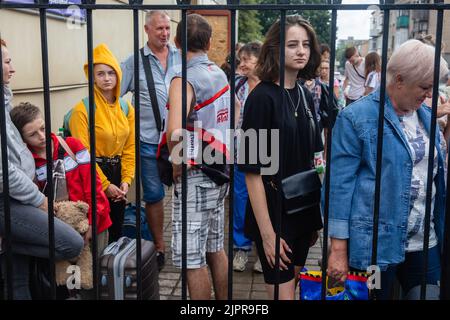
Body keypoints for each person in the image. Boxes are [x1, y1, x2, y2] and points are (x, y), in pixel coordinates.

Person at [327, 39, 449, 300]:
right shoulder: (356, 118)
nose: (429, 95)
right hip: (375, 248)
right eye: (425, 87)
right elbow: (339, 186)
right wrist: (338, 249)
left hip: (424, 243)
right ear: (400, 80)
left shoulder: (426, 116)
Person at [238, 15, 323, 300]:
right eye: (292, 44)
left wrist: (315, 217)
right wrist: (267, 234)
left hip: (303, 212)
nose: (301, 51)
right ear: (275, 48)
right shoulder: (262, 98)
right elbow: (252, 171)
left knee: (296, 288)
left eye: (306, 44)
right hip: (274, 214)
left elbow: (313, 158)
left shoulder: (305, 93)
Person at [0, 38, 83, 300]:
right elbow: (3, 171)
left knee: (17, 280)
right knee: (72, 242)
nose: (12, 68)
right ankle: (7, 244)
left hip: (18, 199)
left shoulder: (4, 100)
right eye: (7, 62)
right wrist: (39, 200)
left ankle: (9, 246)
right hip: (10, 203)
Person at [165, 13, 230, 300]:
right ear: (208, 42)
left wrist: (177, 164)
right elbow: (235, 112)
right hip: (220, 171)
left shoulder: (183, 79)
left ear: (177, 42)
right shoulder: (219, 73)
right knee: (215, 246)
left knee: (192, 258)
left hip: (197, 174)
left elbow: (174, 132)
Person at [10, 102, 112, 260]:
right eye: (33, 134)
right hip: (61, 230)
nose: (42, 137)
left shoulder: (72, 145)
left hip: (94, 223)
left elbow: (93, 185)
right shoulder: (28, 163)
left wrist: (93, 222)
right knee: (68, 280)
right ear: (21, 137)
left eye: (43, 128)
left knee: (96, 274)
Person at [121, 10, 181, 269]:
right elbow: (112, 94)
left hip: (179, 140)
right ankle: (159, 247)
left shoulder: (181, 57)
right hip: (147, 140)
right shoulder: (134, 62)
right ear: (146, 30)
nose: (165, 34)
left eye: (168, 29)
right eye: (159, 29)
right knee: (154, 196)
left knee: (185, 193)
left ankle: (185, 244)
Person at [69, 43, 135, 244]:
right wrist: (105, 185)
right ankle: (94, 272)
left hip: (118, 174)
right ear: (92, 77)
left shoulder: (126, 108)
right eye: (100, 74)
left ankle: (112, 270)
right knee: (96, 229)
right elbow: (83, 155)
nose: (107, 78)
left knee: (117, 228)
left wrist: (126, 180)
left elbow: (129, 148)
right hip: (92, 175)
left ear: (118, 75)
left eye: (111, 73)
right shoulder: (82, 110)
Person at [232, 41, 263, 273]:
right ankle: (241, 248)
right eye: (240, 59)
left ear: (260, 61)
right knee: (241, 199)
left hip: (266, 148)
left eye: (246, 60)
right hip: (239, 150)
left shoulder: (272, 86)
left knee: (268, 200)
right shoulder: (236, 85)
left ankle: (264, 249)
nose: (241, 64)